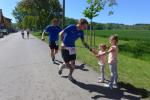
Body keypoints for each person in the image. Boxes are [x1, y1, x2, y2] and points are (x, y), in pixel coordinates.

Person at [58, 18, 92, 82]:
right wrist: (62, 42)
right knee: (68, 65)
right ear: (80, 24)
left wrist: (90, 49)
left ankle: (70, 76)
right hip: (65, 48)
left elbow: (84, 42)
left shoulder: (81, 32)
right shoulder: (71, 27)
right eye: (85, 26)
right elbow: (61, 33)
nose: (85, 28)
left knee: (73, 65)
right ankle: (62, 66)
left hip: (72, 48)